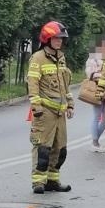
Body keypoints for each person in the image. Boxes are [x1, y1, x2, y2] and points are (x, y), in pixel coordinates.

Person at [27, 21, 74, 194]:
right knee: (43, 149)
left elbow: (65, 85)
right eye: (56, 38)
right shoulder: (38, 58)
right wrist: (36, 105)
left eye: (61, 38)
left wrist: (70, 104)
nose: (59, 41)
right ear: (47, 39)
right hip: (45, 111)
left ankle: (53, 180)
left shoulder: (61, 58)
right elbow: (32, 82)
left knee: (60, 149)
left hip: (60, 112)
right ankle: (38, 181)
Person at [86, 46, 105, 150]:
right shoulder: (93, 59)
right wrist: (104, 74)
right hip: (97, 89)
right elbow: (90, 74)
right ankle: (95, 142)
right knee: (97, 116)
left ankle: (95, 140)